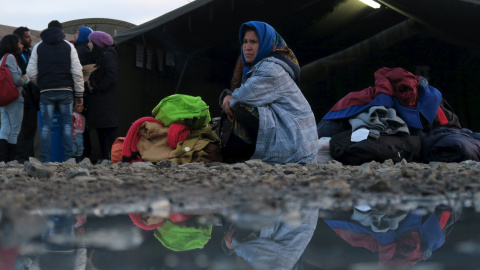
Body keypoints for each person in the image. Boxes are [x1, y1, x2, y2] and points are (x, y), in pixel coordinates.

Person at [219, 21, 319, 164]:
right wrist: (229, 97)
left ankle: (236, 156)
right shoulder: (260, 66)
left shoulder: (271, 69)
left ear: (267, 43)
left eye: (253, 42)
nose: (247, 47)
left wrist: (228, 97)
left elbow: (243, 96)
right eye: (245, 42)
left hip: (297, 144)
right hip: (296, 138)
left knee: (242, 108)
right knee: (238, 108)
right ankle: (238, 156)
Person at [26, 20, 84, 162]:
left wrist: (43, 83)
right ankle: (68, 159)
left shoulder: (38, 47)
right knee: (66, 125)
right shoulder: (69, 46)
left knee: (46, 127)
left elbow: (30, 72)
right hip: (66, 92)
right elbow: (77, 72)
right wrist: (79, 94)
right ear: (61, 31)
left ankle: (45, 160)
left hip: (46, 92)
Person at [85, 31, 119, 161]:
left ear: (97, 43)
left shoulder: (107, 56)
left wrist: (96, 87)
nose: (88, 45)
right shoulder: (102, 56)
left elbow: (111, 77)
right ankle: (105, 157)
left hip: (105, 101)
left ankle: (111, 158)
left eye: (90, 42)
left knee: (108, 131)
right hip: (102, 102)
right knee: (102, 130)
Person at [0, 34, 28, 163]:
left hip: (3, 98)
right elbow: (17, 80)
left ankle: (2, 160)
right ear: (13, 44)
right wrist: (27, 78)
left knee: (5, 127)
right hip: (14, 97)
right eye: (19, 42)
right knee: (15, 130)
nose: (22, 45)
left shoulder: (1, 58)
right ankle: (10, 160)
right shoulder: (10, 57)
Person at [12, 26, 38, 164]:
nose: (30, 38)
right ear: (19, 39)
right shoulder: (14, 56)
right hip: (21, 96)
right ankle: (20, 157)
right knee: (21, 128)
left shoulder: (29, 53)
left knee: (30, 128)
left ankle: (28, 156)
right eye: (27, 36)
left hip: (31, 97)